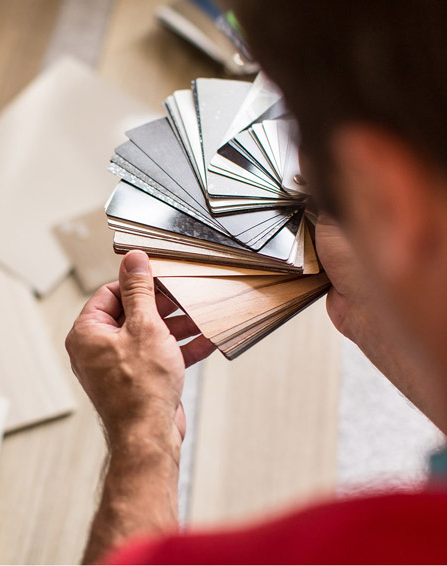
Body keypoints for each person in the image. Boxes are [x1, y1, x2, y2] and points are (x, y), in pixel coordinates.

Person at [65, 1, 447, 563]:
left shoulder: (350, 547)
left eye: (297, 124)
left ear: (382, 188)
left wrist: (143, 438)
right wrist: (372, 305)